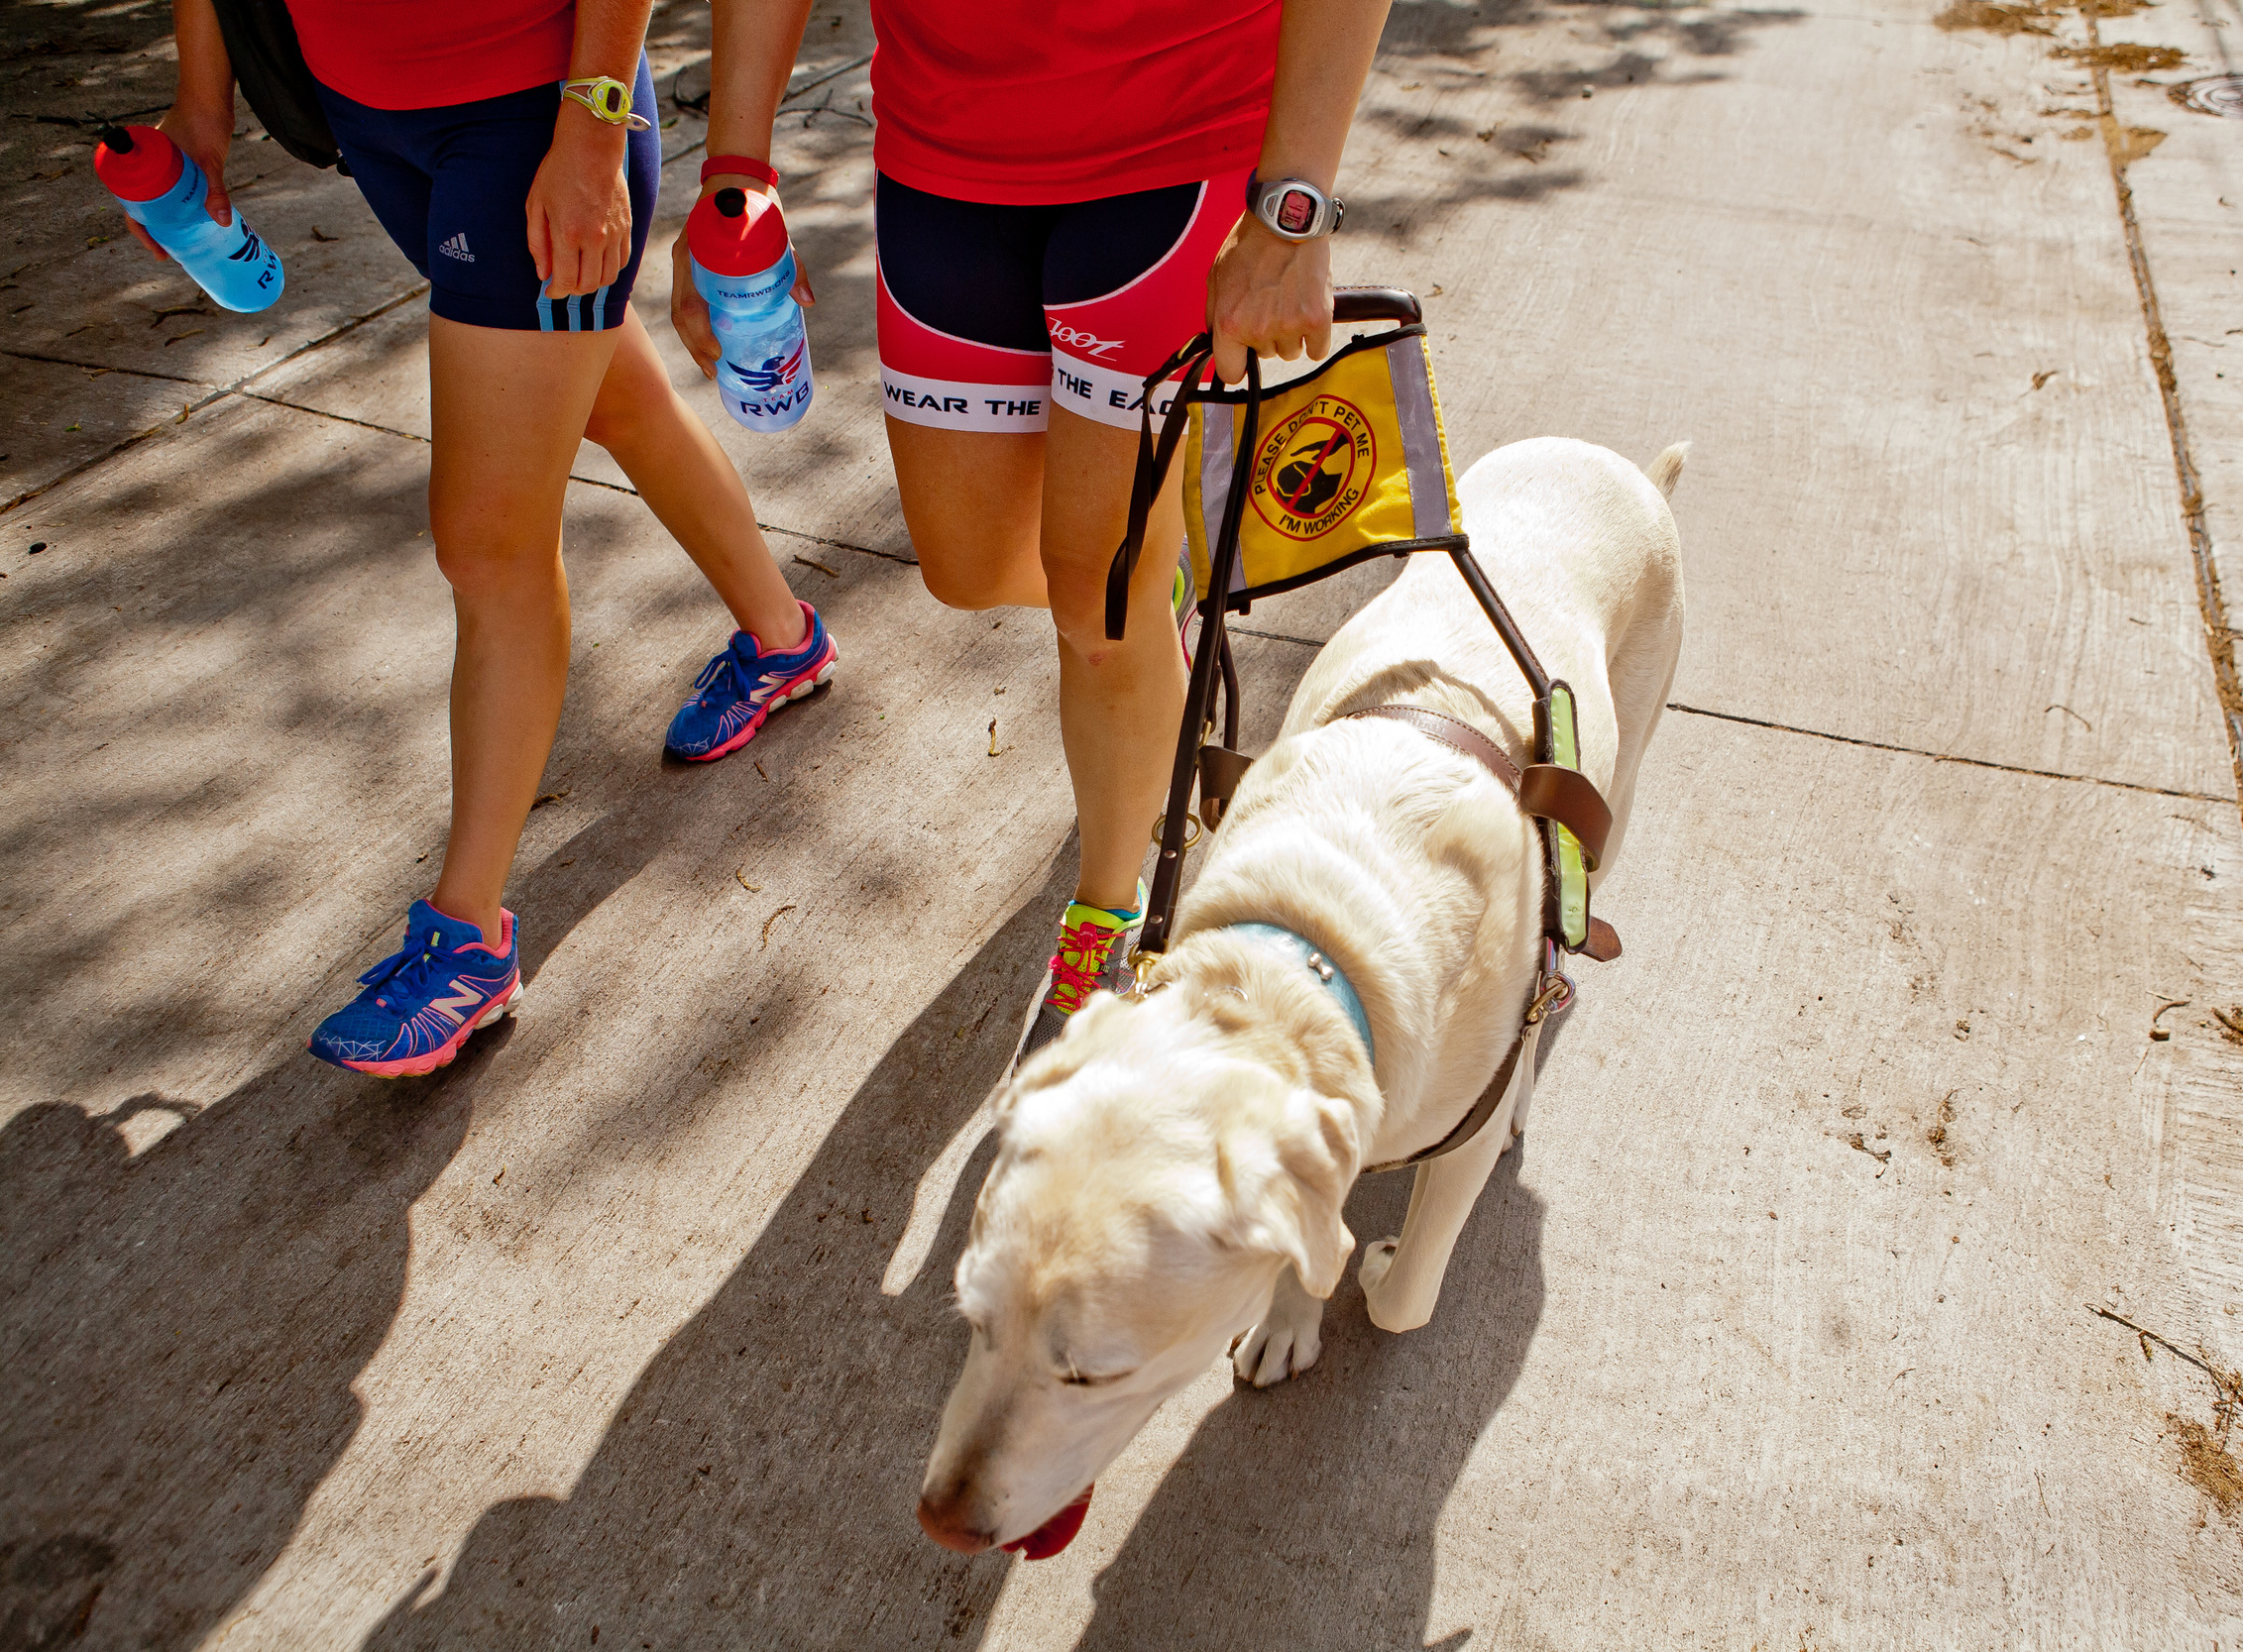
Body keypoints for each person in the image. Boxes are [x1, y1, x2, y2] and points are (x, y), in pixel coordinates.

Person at [135, 0, 840, 1076]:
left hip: (529, 111)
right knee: (610, 394)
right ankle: (783, 636)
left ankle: (467, 943)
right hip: (372, 113)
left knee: (487, 544)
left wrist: (596, 126)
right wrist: (200, 105)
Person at [680, 0, 1392, 1059]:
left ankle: (1111, 909)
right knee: (966, 568)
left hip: (1177, 138)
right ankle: (1162, 606)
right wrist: (734, 167)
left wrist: (1293, 208)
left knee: (1095, 607)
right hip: (944, 151)